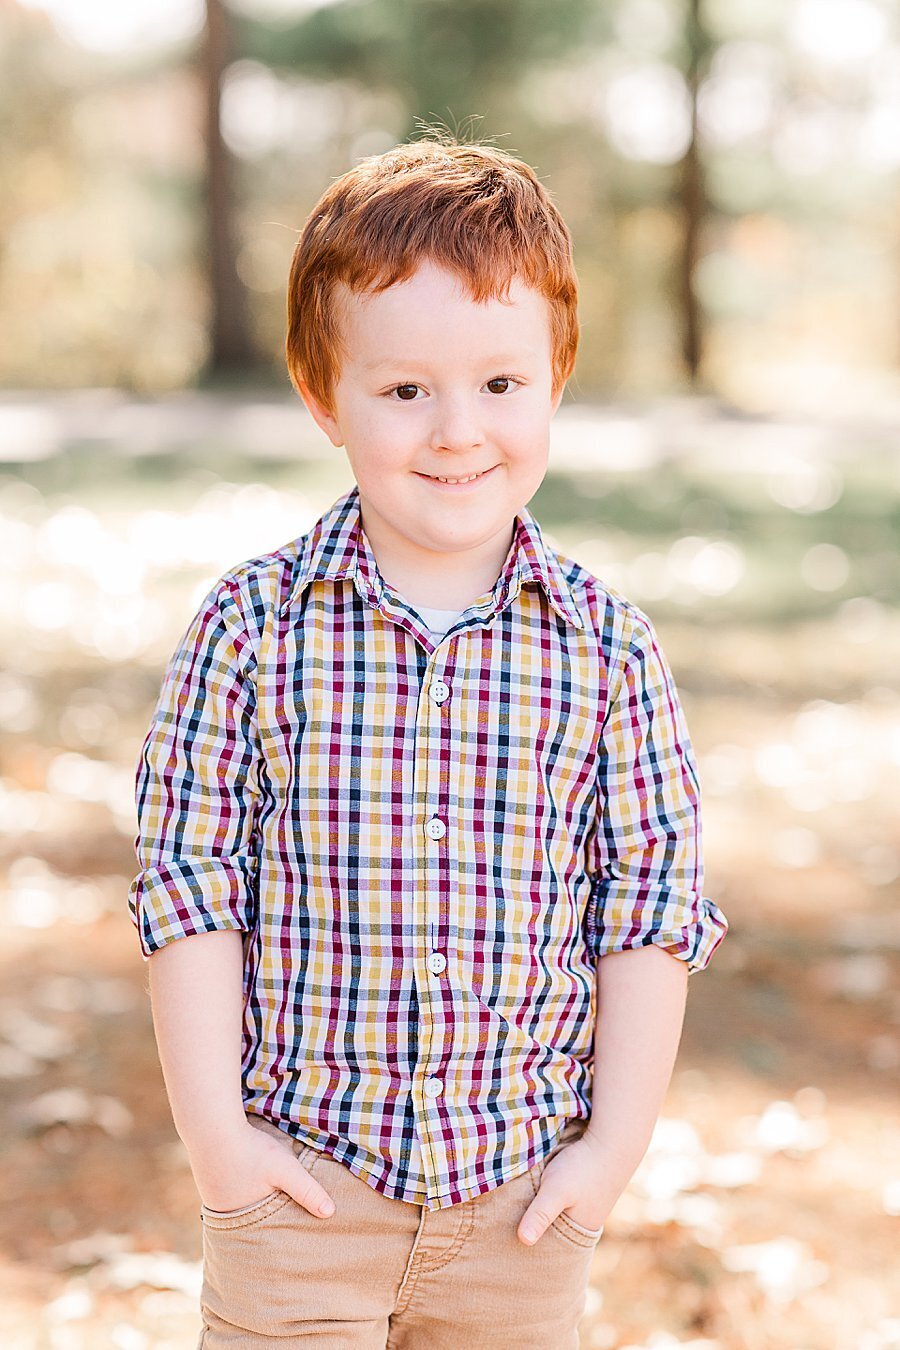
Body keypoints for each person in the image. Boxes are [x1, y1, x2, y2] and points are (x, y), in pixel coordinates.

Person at [128, 132, 728, 1349]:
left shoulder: (609, 650)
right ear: (324, 399)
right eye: (405, 390)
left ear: (554, 376)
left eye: (500, 385)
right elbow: (190, 892)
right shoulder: (250, 628)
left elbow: (650, 909)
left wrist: (607, 1160)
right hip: (299, 1191)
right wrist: (223, 1157)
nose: (458, 428)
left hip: (519, 1201)